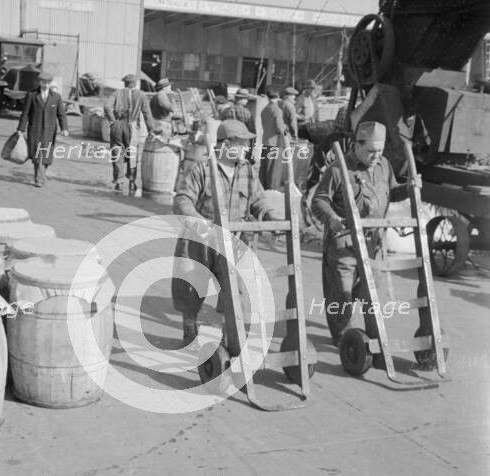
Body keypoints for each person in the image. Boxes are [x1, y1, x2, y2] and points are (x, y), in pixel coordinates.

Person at [172, 119, 284, 344]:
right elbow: (183, 200)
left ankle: (230, 336)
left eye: (246, 144)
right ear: (224, 145)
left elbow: (258, 200)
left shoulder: (248, 171)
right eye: (241, 144)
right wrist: (201, 222)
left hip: (235, 241)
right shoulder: (202, 170)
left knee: (236, 291)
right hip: (201, 241)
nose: (246, 149)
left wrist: (271, 216)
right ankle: (189, 326)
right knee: (192, 287)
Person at [310, 121, 418, 346]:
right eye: (371, 151)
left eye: (379, 151)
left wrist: (409, 188)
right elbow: (318, 201)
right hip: (344, 243)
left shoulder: (384, 165)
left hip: (373, 244)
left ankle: (374, 341)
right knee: (342, 296)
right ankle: (346, 343)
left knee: (371, 296)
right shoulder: (338, 169)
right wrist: (332, 218)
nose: (376, 156)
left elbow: (392, 192)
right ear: (356, 145)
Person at [17, 71, 69, 188]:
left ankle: (40, 174)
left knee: (46, 155)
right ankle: (39, 178)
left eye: (47, 82)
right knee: (37, 153)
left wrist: (64, 128)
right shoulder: (32, 95)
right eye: (43, 82)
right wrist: (21, 128)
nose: (45, 85)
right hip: (34, 129)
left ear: (50, 83)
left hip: (49, 131)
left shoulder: (56, 97)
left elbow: (61, 115)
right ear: (39, 82)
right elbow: (25, 114)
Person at [104, 73, 154, 192]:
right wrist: (151, 130)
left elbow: (107, 106)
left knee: (117, 153)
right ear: (135, 83)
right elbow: (147, 114)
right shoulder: (141, 95)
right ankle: (132, 181)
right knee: (132, 153)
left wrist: (112, 121)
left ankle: (119, 182)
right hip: (132, 127)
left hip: (117, 125)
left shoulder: (116, 93)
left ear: (125, 83)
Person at [259, 86, 287, 190]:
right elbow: (280, 128)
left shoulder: (264, 110)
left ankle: (263, 190)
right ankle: (272, 191)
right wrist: (285, 127)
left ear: (267, 96)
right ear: (278, 96)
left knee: (264, 170)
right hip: (275, 144)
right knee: (274, 172)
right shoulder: (277, 110)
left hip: (266, 142)